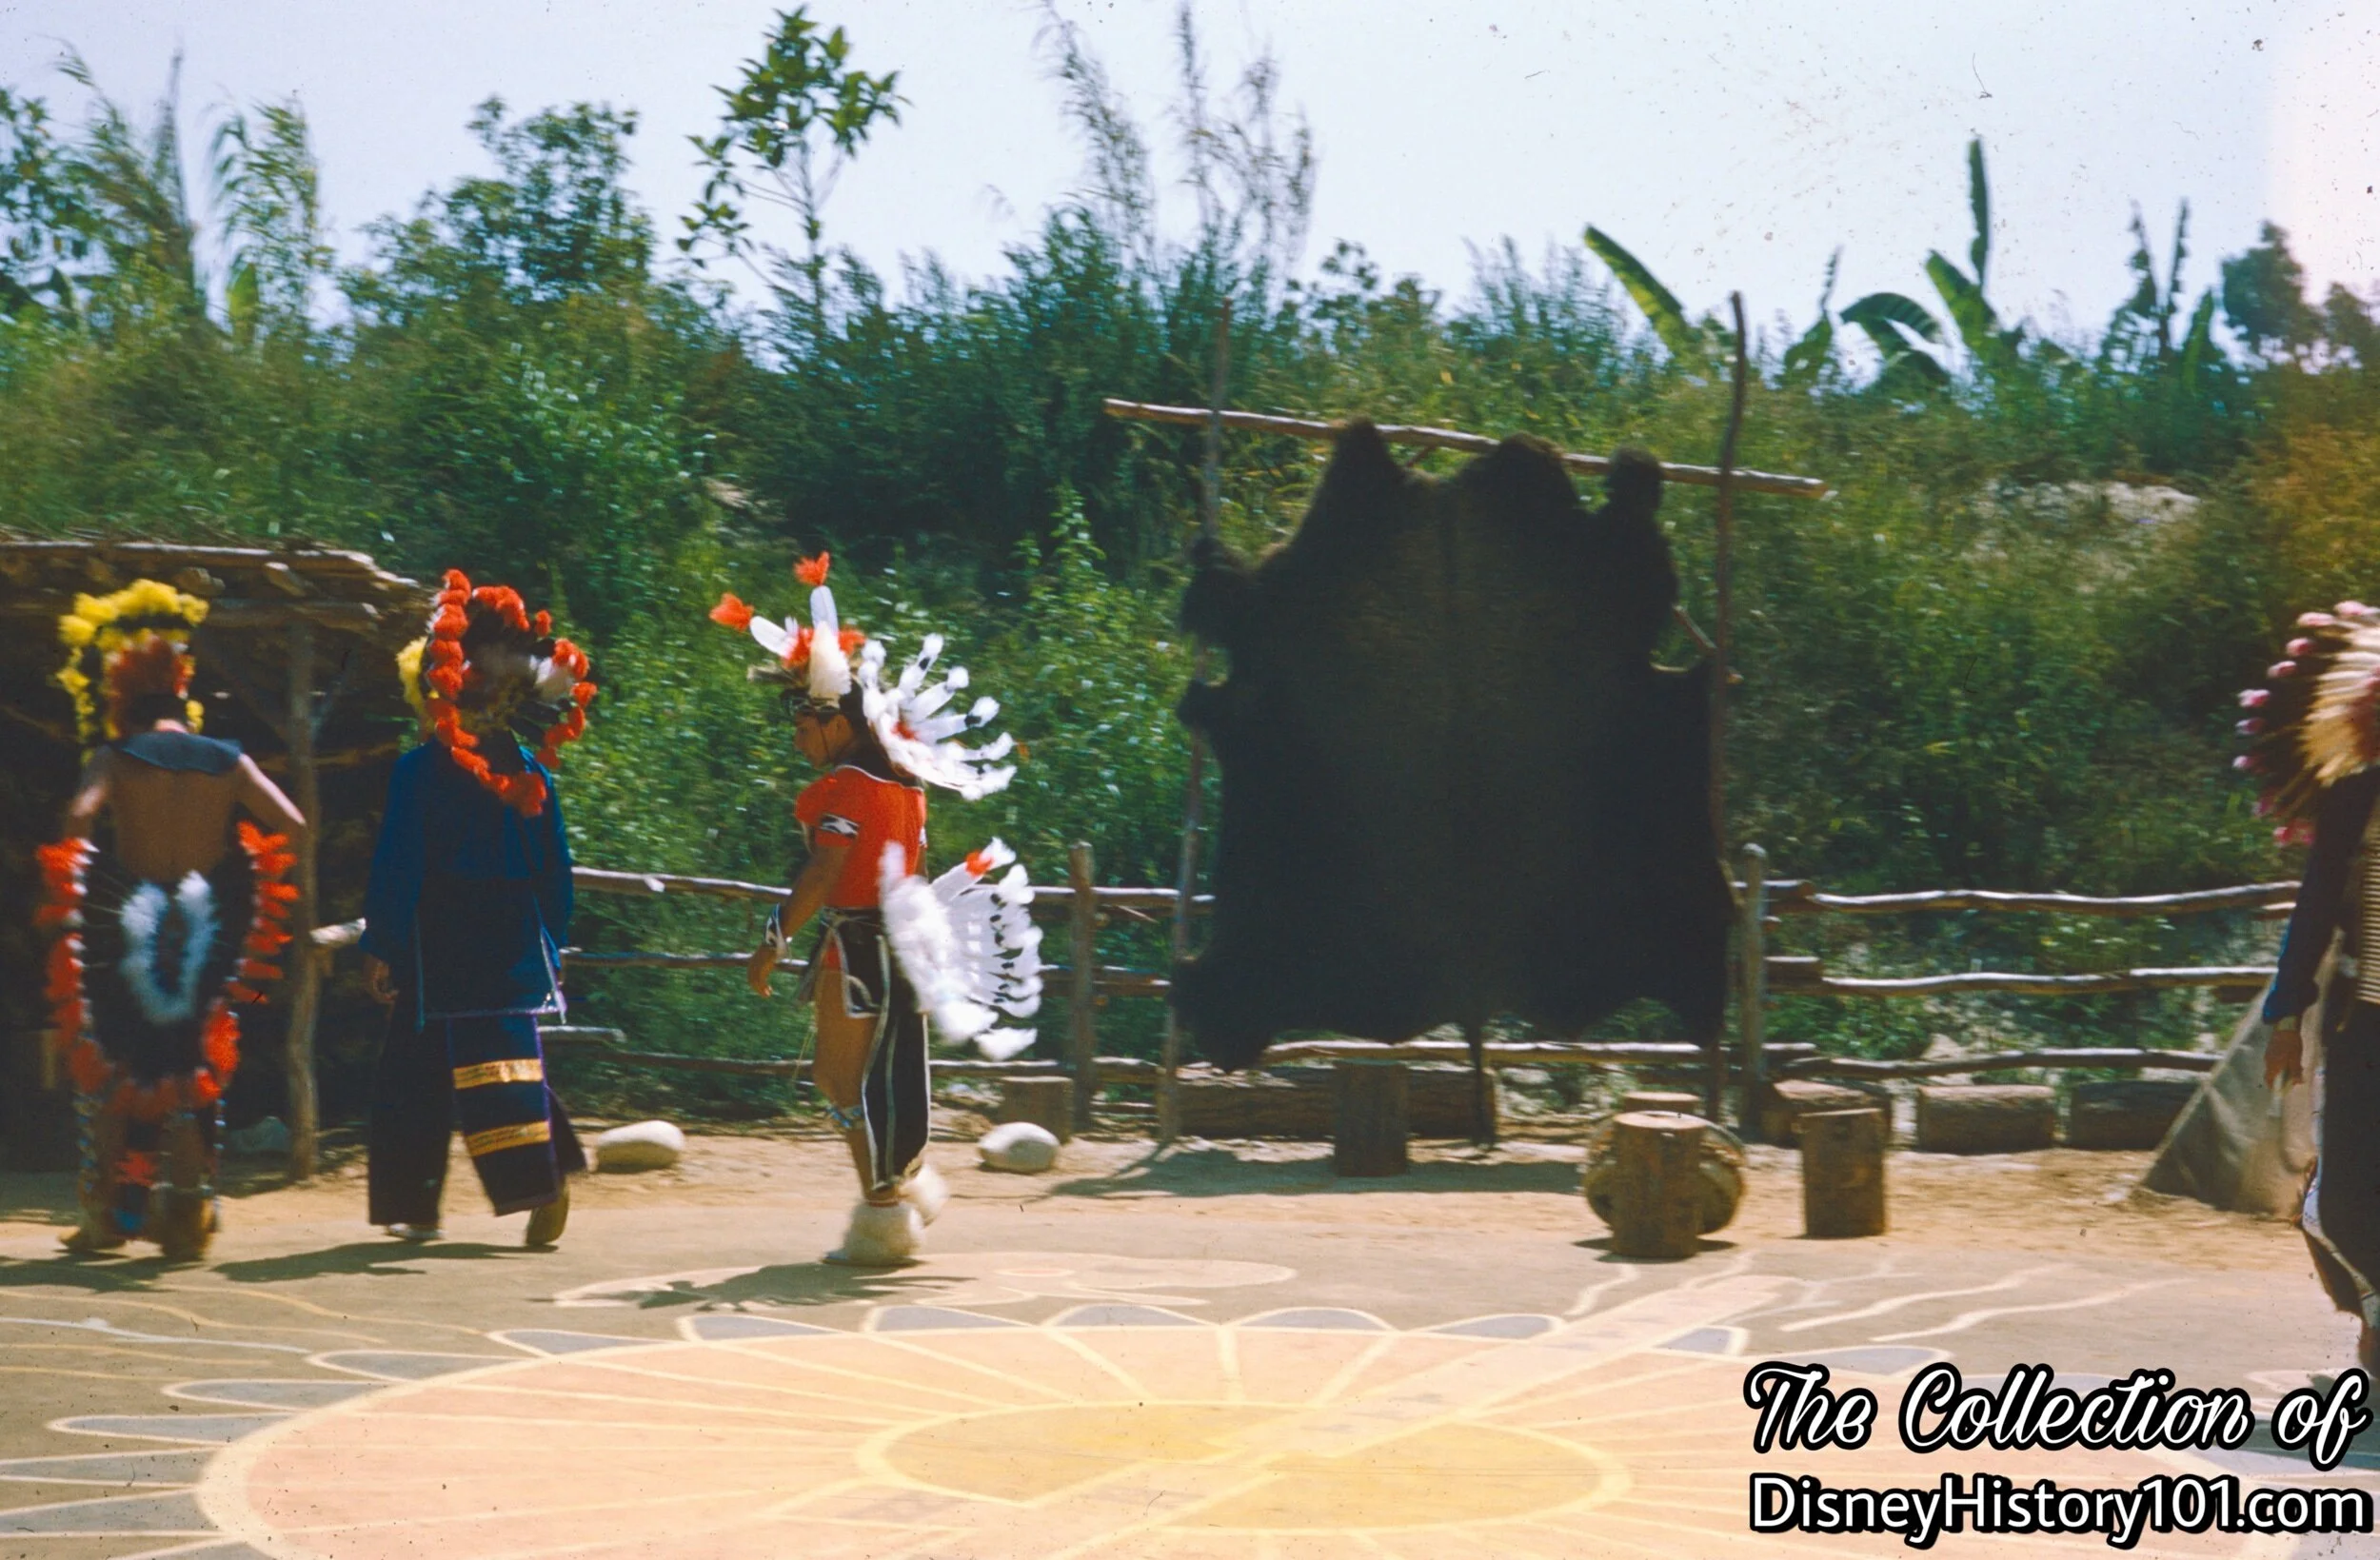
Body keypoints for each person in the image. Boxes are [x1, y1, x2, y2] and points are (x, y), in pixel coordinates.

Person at [713, 554, 1041, 1265]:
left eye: (803, 724)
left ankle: (886, 1211)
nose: (797, 738)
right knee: (882, 1074)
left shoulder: (846, 790)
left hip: (860, 948)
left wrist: (773, 938)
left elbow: (825, 872)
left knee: (839, 1082)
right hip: (902, 950)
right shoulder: (907, 790)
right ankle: (902, 1188)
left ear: (835, 722)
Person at [40, 580, 305, 1261]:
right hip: (205, 934)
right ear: (182, 705)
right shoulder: (229, 760)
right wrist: (239, 874)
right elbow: (293, 825)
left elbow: (78, 816)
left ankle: (109, 1217)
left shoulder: (117, 756)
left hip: (129, 931)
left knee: (116, 1066)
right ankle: (189, 1215)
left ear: (127, 705)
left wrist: (84, 885)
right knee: (192, 1066)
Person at [358, 569, 595, 1247]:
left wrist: (382, 944)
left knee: (443, 1072)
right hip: (514, 942)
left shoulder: (419, 771)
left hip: (441, 944)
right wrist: (552, 944)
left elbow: (399, 865)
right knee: (498, 1062)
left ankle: (473, 1196)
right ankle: (524, 1184)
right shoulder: (532, 773)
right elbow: (554, 873)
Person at [2245, 599, 2380, 1371]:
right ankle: (2373, 1310)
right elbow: (2318, 905)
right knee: (2343, 1198)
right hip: (2367, 1031)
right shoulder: (2358, 796)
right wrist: (2287, 1016)